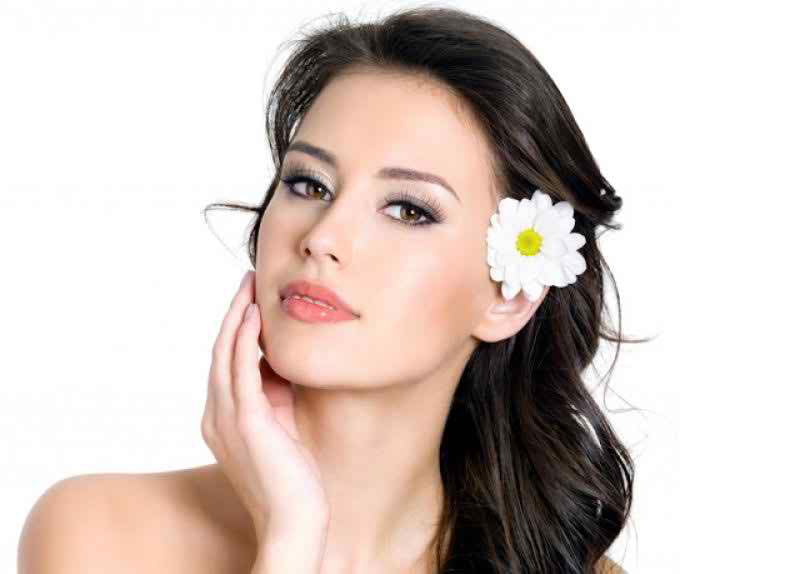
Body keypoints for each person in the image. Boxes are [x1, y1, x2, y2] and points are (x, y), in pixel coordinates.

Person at [19, 6, 645, 574]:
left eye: (408, 209)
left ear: (508, 296)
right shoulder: (100, 536)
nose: (322, 237)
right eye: (309, 184)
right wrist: (289, 538)